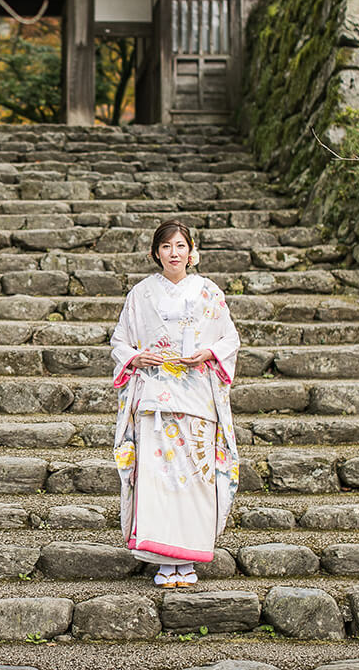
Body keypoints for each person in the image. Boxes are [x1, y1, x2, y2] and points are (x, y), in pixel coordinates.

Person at [110, 219, 241, 588]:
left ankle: (189, 555)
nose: (174, 253)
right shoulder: (141, 294)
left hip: (198, 394)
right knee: (159, 480)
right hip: (155, 396)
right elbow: (120, 340)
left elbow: (229, 338)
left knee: (196, 478)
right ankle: (164, 561)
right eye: (166, 247)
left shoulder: (208, 292)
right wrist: (136, 358)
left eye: (180, 246)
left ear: (191, 251)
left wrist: (208, 352)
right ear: (156, 253)